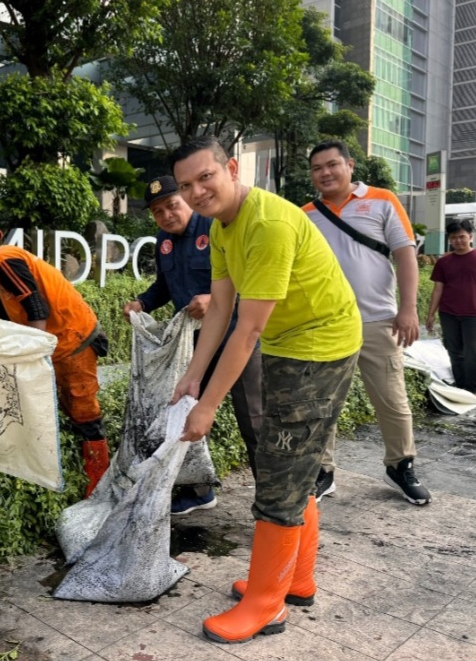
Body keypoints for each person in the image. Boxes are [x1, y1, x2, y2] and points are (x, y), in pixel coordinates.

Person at [170, 137, 361, 644]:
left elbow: (247, 330)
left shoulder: (268, 224)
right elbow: (219, 309)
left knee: (278, 469)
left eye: (205, 177)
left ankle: (266, 604)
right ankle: (295, 580)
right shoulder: (223, 225)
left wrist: (206, 407)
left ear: (231, 168)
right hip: (292, 345)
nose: (196, 192)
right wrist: (193, 375)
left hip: (320, 347)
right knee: (294, 464)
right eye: (186, 185)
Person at [123, 175, 263, 515]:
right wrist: (141, 303)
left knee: (254, 418)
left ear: (186, 198)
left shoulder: (217, 228)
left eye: (171, 205)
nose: (167, 215)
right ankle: (197, 491)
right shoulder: (163, 241)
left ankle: (271, 497)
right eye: (158, 211)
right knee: (185, 412)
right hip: (193, 344)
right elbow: (164, 286)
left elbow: (252, 283)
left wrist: (212, 298)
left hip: (235, 337)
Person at [304, 140, 431, 506]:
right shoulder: (305, 213)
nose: (325, 173)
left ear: (350, 165)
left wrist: (407, 309)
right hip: (325, 324)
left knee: (392, 400)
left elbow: (405, 256)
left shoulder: (383, 200)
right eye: (317, 168)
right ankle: (322, 471)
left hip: (378, 320)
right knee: (320, 401)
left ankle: (400, 465)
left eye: (332, 165)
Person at [0, 217, 110, 498]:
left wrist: (34, 354)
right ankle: (81, 475)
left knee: (85, 413)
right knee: (69, 410)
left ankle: (99, 484)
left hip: (74, 341)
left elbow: (36, 308)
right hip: (62, 343)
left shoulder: (5, 260)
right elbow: (10, 320)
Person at [426, 219, 476, 400]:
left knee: (473, 351)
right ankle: (460, 387)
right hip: (448, 313)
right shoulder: (444, 262)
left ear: (470, 237)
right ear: (449, 239)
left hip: (473, 313)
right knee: (454, 351)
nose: (458, 241)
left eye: (462, 237)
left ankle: (474, 389)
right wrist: (430, 315)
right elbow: (438, 289)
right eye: (454, 238)